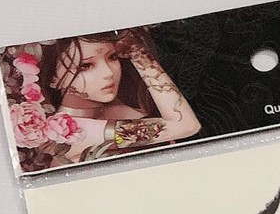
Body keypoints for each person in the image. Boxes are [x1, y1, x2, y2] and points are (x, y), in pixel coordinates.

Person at [36, 30, 201, 160]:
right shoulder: (71, 131)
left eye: (112, 57)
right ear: (53, 78)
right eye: (85, 66)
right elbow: (186, 125)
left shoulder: (120, 109)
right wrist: (139, 54)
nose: (108, 73)